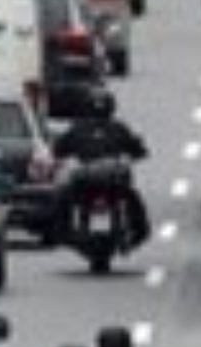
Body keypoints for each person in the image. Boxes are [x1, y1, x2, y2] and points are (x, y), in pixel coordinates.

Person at [52, 88, 152, 247]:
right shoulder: (118, 128)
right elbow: (138, 150)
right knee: (132, 198)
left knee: (64, 198)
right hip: (104, 181)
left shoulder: (80, 128)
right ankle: (139, 232)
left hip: (97, 182)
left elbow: (58, 149)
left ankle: (62, 232)